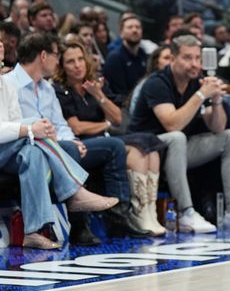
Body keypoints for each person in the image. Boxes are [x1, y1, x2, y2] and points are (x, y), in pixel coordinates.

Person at [4, 32, 148, 240]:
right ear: (44, 56)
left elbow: (61, 124)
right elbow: (16, 127)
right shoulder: (8, 83)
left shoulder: (47, 88)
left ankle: (119, 218)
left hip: (49, 144)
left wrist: (71, 139)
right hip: (22, 145)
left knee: (112, 146)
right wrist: (47, 134)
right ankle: (79, 220)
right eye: (57, 55)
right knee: (59, 148)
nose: (59, 60)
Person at [127, 35, 230, 234]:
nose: (194, 64)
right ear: (173, 58)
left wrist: (216, 101)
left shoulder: (196, 83)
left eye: (197, 58)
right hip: (147, 150)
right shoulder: (156, 83)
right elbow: (172, 124)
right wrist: (200, 95)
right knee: (177, 137)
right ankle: (186, 211)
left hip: (178, 150)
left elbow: (217, 127)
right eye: (187, 58)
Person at [54, 41, 167, 235]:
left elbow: (118, 118)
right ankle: (128, 215)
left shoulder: (94, 85)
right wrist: (105, 125)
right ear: (62, 66)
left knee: (147, 147)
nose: (78, 65)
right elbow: (77, 127)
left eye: (80, 59)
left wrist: (98, 95)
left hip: (105, 139)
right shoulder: (60, 90)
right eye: (71, 61)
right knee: (121, 145)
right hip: (79, 143)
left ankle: (145, 212)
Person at [103, 15, 149, 105]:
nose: (135, 30)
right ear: (121, 33)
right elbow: (118, 94)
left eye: (138, 27)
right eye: (130, 27)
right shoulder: (115, 58)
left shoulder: (143, 55)